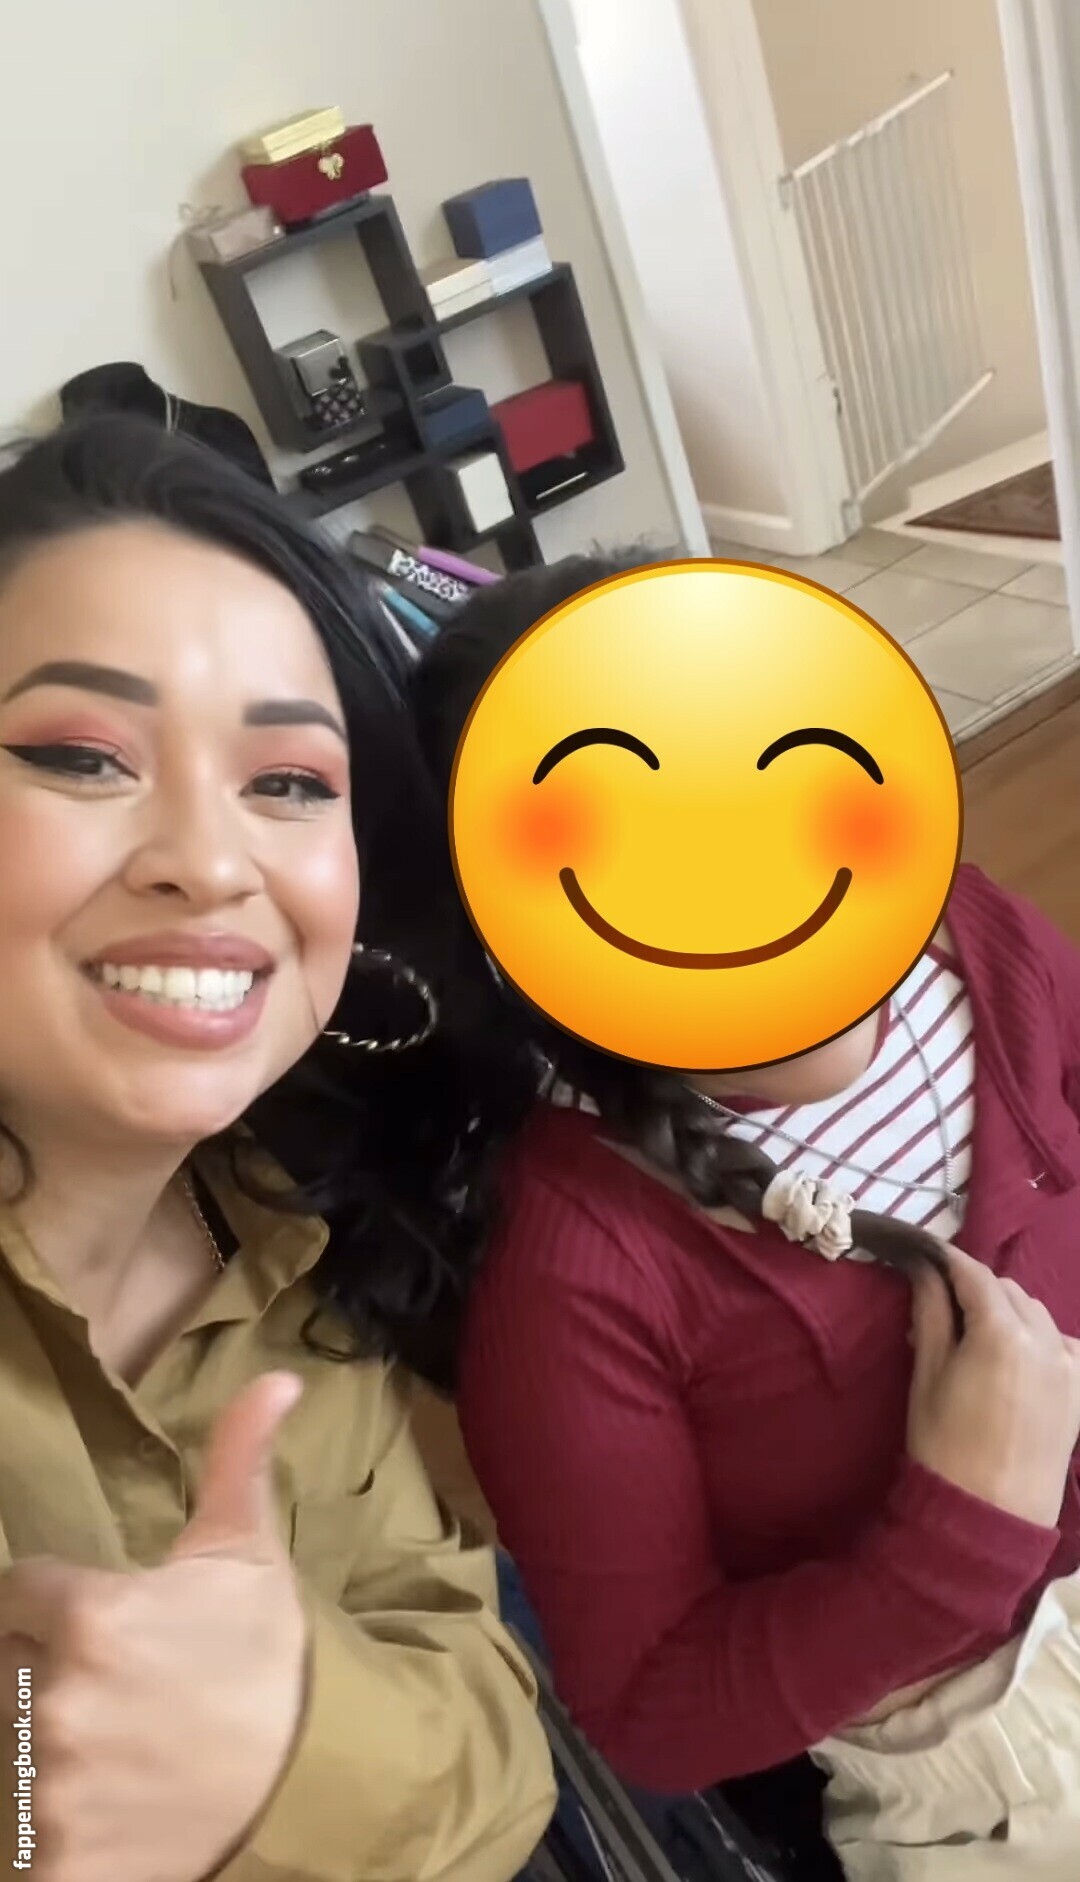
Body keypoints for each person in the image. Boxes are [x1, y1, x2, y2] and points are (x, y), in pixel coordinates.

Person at [411, 553, 1080, 1879]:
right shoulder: (574, 1274)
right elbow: (648, 1709)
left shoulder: (971, 941)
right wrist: (956, 1535)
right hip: (995, 1756)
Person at [0, 415, 556, 1882]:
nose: (211, 858)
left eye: (292, 782)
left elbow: (495, 1739)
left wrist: (292, 1737)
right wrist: (32, 1783)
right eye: (81, 755)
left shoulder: (301, 1226)